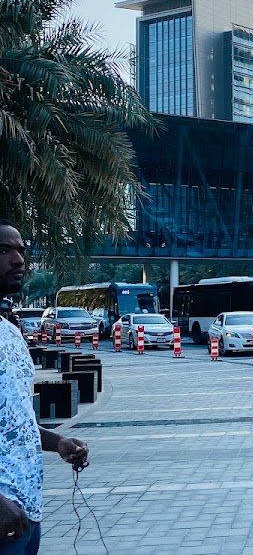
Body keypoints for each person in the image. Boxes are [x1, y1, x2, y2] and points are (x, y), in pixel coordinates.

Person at [0, 221, 89, 554]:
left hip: (25, 514)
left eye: (20, 249)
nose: (18, 259)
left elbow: (14, 421)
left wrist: (59, 442)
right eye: (4, 250)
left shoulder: (10, 332)